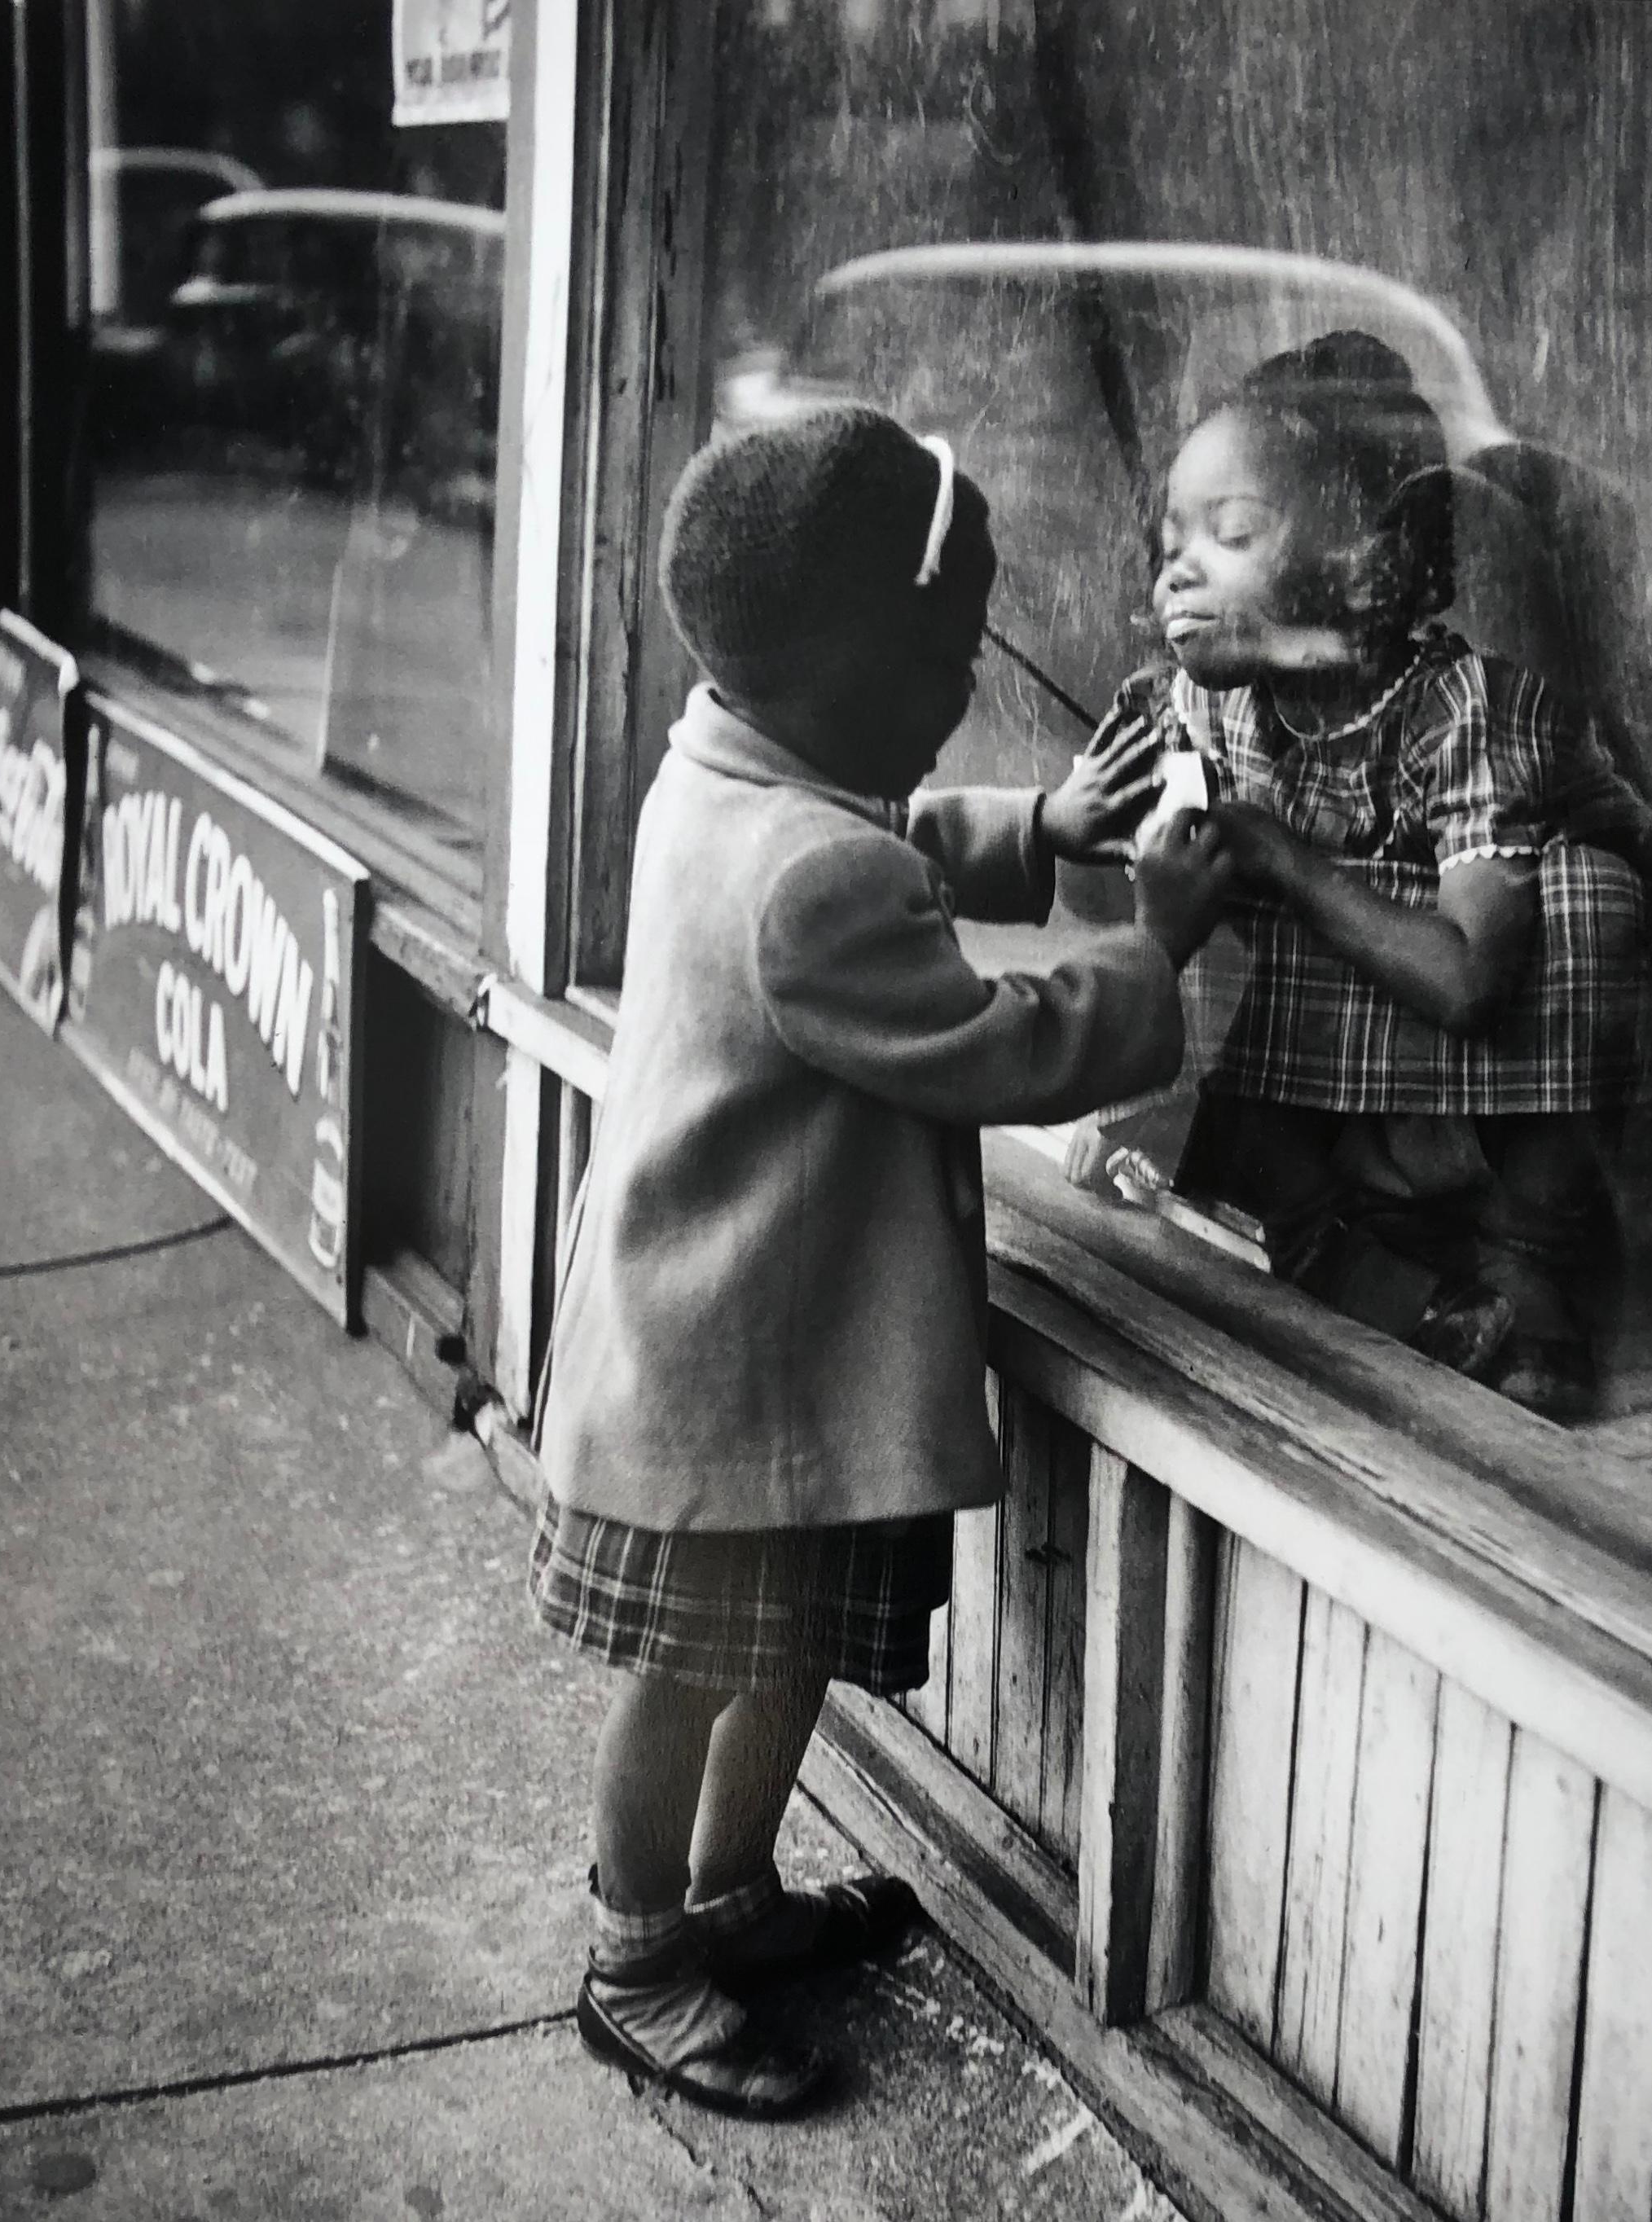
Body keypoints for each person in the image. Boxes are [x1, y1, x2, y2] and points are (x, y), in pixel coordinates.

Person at [529, 405, 1232, 2118]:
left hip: (747, 1354)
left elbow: (882, 835)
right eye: (952, 643)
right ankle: (637, 1957)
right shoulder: (811, 879)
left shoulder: (730, 763)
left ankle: (730, 1892)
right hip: (725, 1380)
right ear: (859, 663)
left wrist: (1041, 820)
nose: (970, 669)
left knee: (781, 1651)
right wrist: (1153, 942)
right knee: (694, 1667)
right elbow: (1000, 1044)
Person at [1065, 337, 1652, 1416]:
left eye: (1234, 532)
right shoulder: (1195, 706)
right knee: (1204, 966)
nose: (1177, 571)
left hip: (1478, 1106)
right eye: (1170, 543)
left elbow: (1468, 983)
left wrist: (1272, 852)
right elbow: (1090, 894)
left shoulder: (1467, 711)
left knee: (1586, 897)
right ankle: (1337, 1250)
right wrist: (1108, 826)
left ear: (1369, 563)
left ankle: (1519, 1268)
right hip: (1321, 1116)